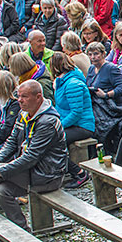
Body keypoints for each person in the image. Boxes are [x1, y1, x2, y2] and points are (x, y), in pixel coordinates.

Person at [0, 80, 67, 228]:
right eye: (18, 96)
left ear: (38, 97)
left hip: (48, 174)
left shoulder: (48, 122)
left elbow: (31, 157)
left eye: (24, 96)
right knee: (1, 191)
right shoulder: (24, 114)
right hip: (30, 172)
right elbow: (11, 142)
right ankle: (22, 231)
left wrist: (0, 170)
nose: (19, 100)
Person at [50, 53, 94, 188]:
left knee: (51, 143)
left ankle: (79, 173)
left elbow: (76, 112)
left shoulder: (72, 84)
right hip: (71, 124)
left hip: (82, 126)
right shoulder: (61, 83)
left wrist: (60, 125)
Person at [85, 41, 122, 106]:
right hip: (95, 104)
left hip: (109, 106)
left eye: (96, 54)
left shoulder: (110, 68)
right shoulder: (91, 68)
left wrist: (106, 94)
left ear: (103, 54)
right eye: (90, 54)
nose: (93, 57)